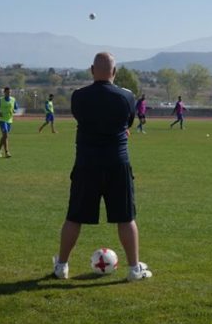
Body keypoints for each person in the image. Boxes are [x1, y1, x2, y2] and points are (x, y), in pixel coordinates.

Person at [53, 52, 152, 282]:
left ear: (91, 70)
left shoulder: (78, 96)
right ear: (114, 72)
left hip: (86, 163)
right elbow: (127, 123)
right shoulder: (126, 96)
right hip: (117, 162)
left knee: (74, 217)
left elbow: (83, 119)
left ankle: (62, 266)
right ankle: (134, 269)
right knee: (125, 217)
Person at [0, 87, 18, 157]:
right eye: (7, 92)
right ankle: (7, 152)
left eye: (10, 92)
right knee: (6, 135)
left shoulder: (13, 99)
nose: (9, 93)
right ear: (4, 93)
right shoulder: (0, 100)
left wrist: (14, 111)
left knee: (4, 136)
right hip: (2, 120)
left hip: (9, 120)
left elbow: (16, 108)